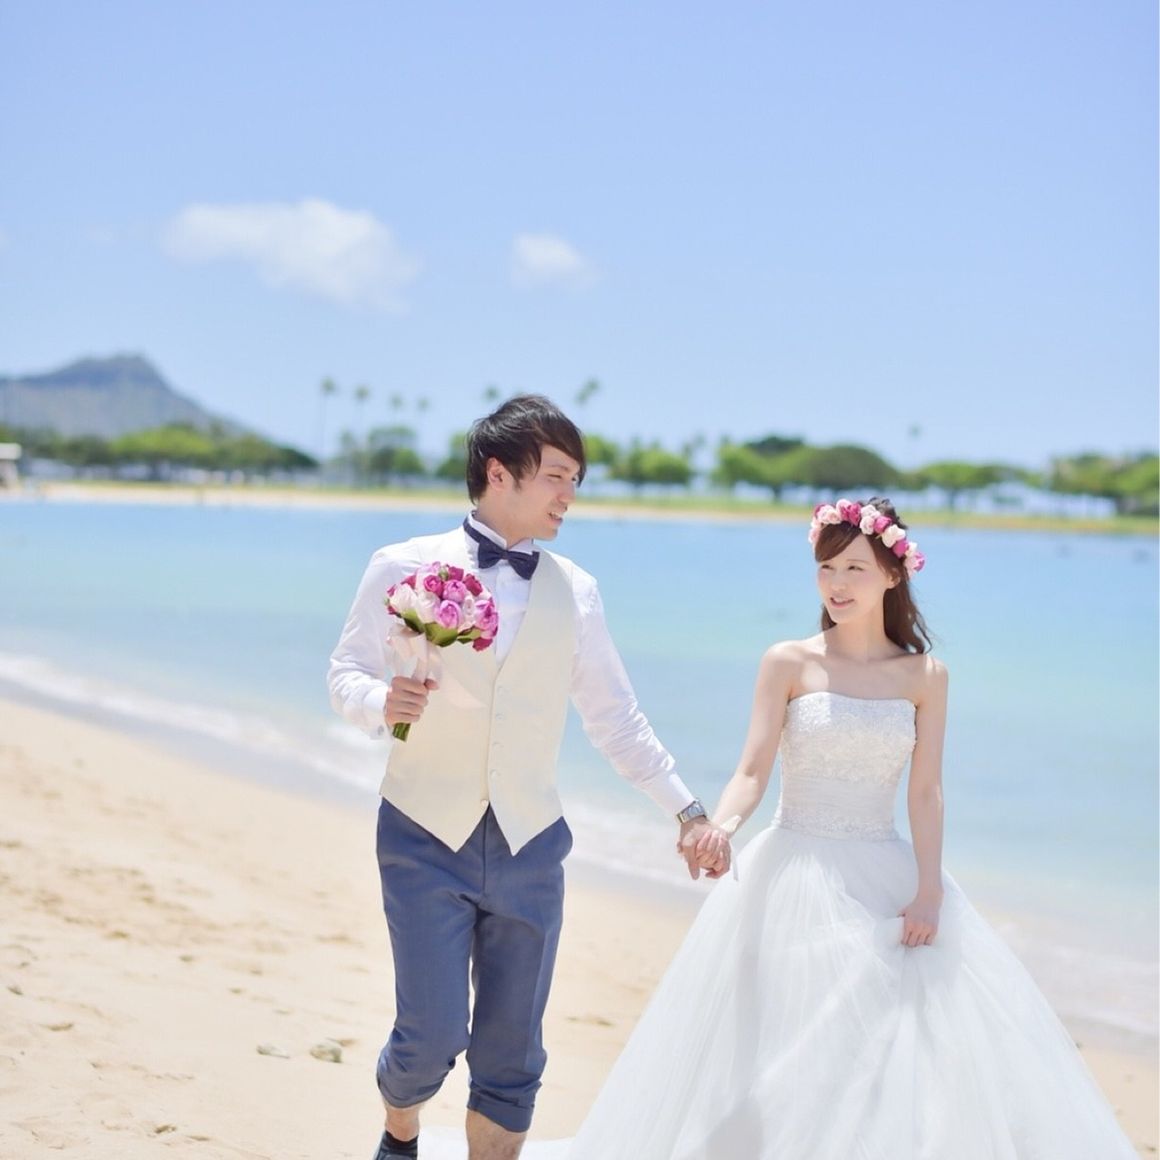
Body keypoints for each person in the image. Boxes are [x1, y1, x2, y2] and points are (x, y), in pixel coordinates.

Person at [563, 497, 1138, 1159]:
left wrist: (929, 890)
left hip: (883, 875)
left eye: (854, 568)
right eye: (826, 567)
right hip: (790, 872)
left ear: (893, 574)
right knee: (783, 1043)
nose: (836, 583)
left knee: (882, 1053)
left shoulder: (926, 676)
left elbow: (926, 792)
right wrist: (720, 827)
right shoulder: (788, 661)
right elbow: (752, 770)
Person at [327, 394, 726, 1160]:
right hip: (422, 833)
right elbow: (346, 672)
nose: (569, 495)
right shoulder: (403, 566)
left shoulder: (577, 592)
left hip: (531, 843)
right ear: (498, 473)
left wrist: (687, 812)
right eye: (556, 476)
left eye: (576, 479)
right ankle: (400, 1127)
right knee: (429, 1036)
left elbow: (615, 719)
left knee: (513, 1055)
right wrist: (382, 702)